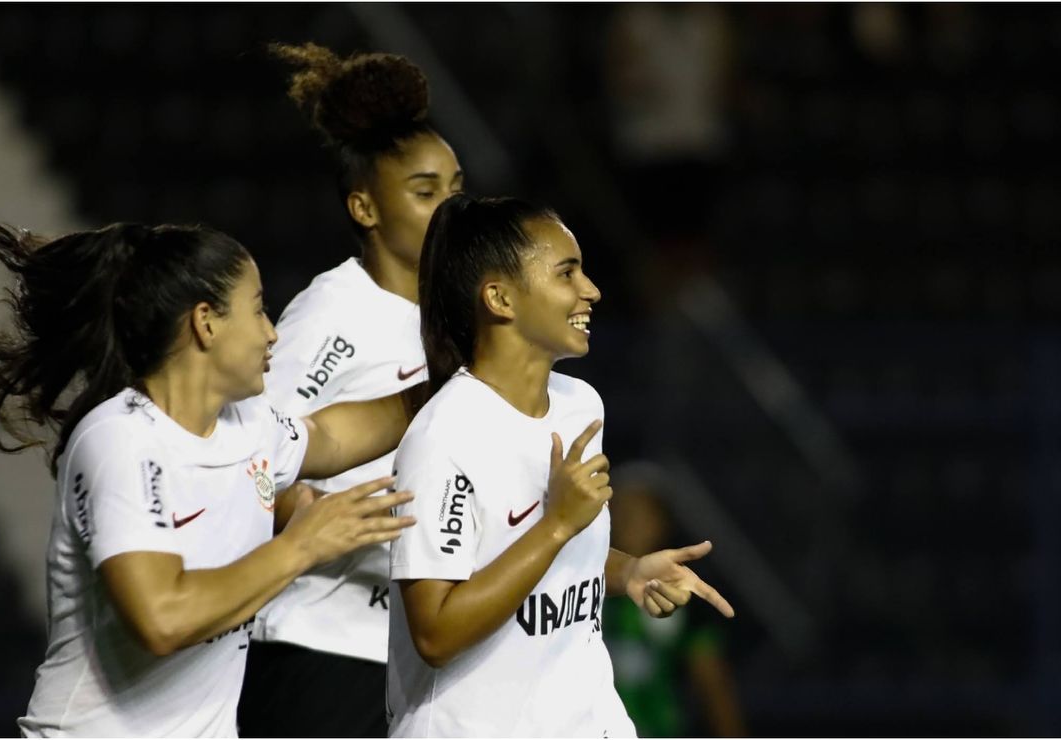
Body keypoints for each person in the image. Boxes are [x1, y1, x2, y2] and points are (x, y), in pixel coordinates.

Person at [0, 211, 421, 737]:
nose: (272, 333)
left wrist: (449, 378)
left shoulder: (248, 424)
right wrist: (301, 546)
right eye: (258, 310)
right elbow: (162, 618)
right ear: (205, 322)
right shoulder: (120, 439)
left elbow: (331, 436)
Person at [388, 194, 736, 737]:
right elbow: (435, 634)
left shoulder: (580, 405)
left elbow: (568, 554)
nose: (591, 290)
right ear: (500, 298)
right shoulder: (445, 436)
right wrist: (554, 525)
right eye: (567, 272)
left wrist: (629, 572)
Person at [238, 42, 463, 738]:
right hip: (318, 643)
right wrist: (301, 509)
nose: (450, 208)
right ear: (365, 206)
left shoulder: (460, 317)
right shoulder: (334, 314)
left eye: (456, 189)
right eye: (425, 193)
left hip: (417, 651)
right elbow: (249, 455)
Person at [603, 461, 747, 737]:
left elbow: (713, 685)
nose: (627, 523)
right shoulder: (581, 583)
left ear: (662, 521)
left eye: (639, 513)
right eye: (619, 512)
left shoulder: (686, 596)